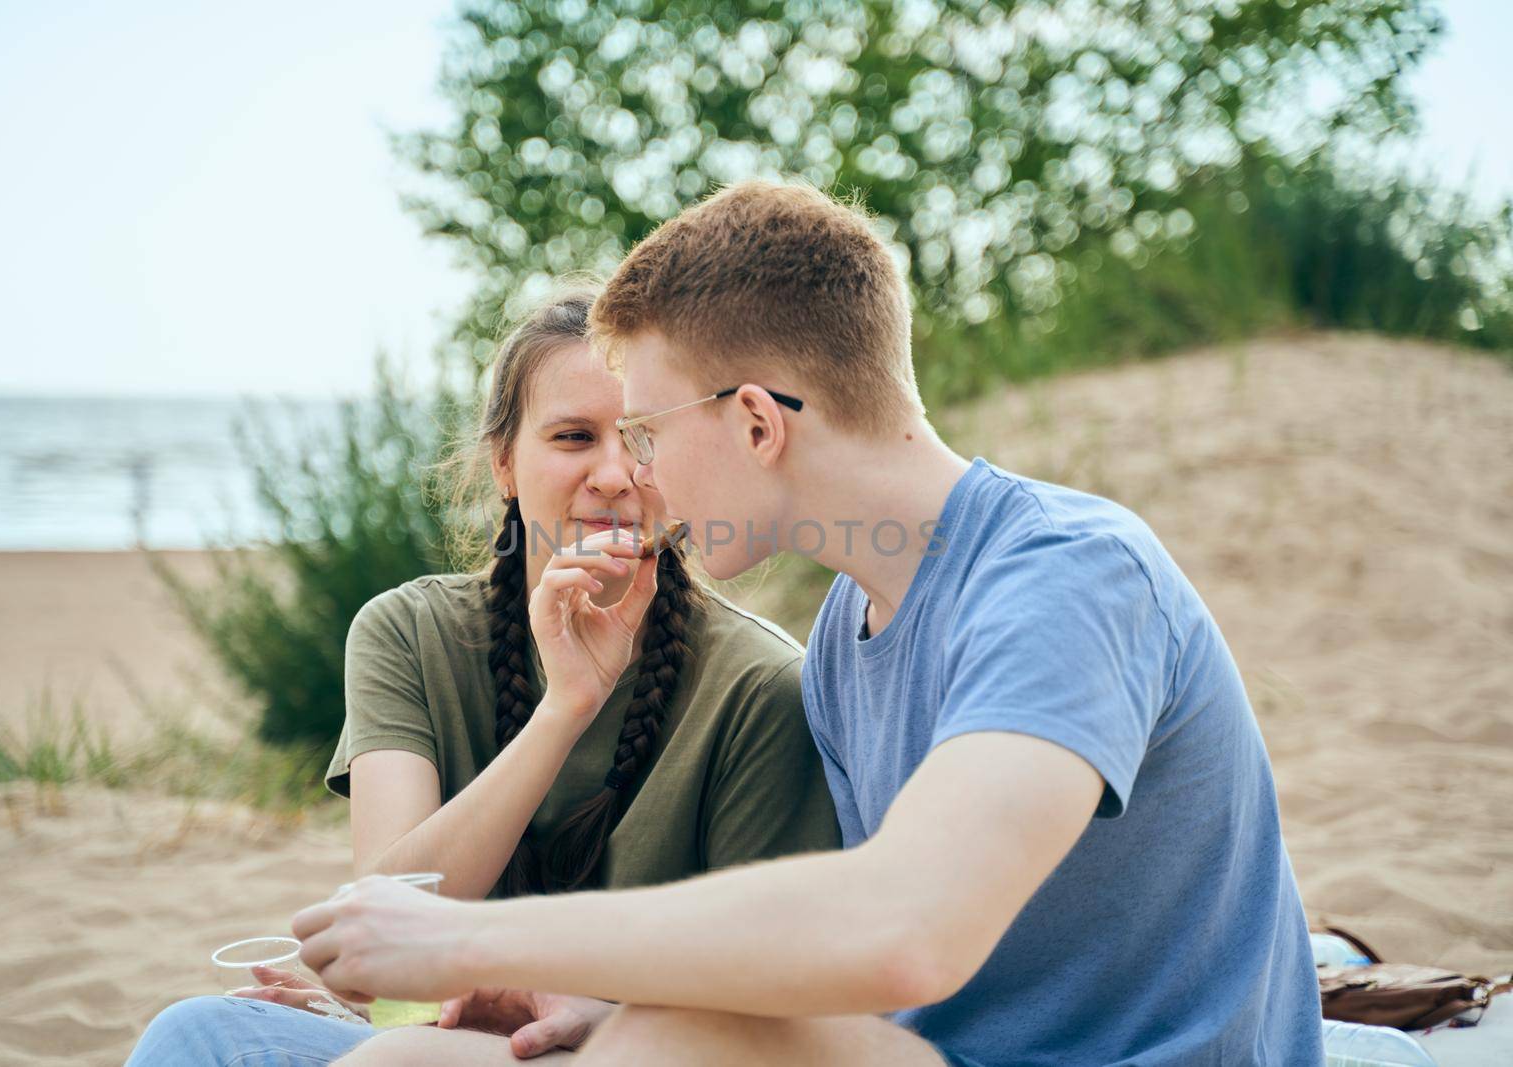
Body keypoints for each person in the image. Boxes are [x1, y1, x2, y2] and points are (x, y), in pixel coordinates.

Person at [290, 182, 1325, 1066]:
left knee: (665, 1042)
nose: (632, 475)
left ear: (754, 422)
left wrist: (465, 940)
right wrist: (591, 1001)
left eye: (647, 430)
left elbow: (902, 927)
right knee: (407, 1054)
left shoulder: (1069, 574)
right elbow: (863, 987)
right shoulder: (845, 634)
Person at [123, 285, 841, 1066]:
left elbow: (771, 1005)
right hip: (434, 1043)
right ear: (504, 462)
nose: (612, 473)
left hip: (623, 1053)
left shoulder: (762, 685)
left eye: (641, 438)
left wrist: (591, 1016)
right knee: (196, 1033)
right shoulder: (406, 633)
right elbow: (390, 932)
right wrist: (564, 708)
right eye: (573, 436)